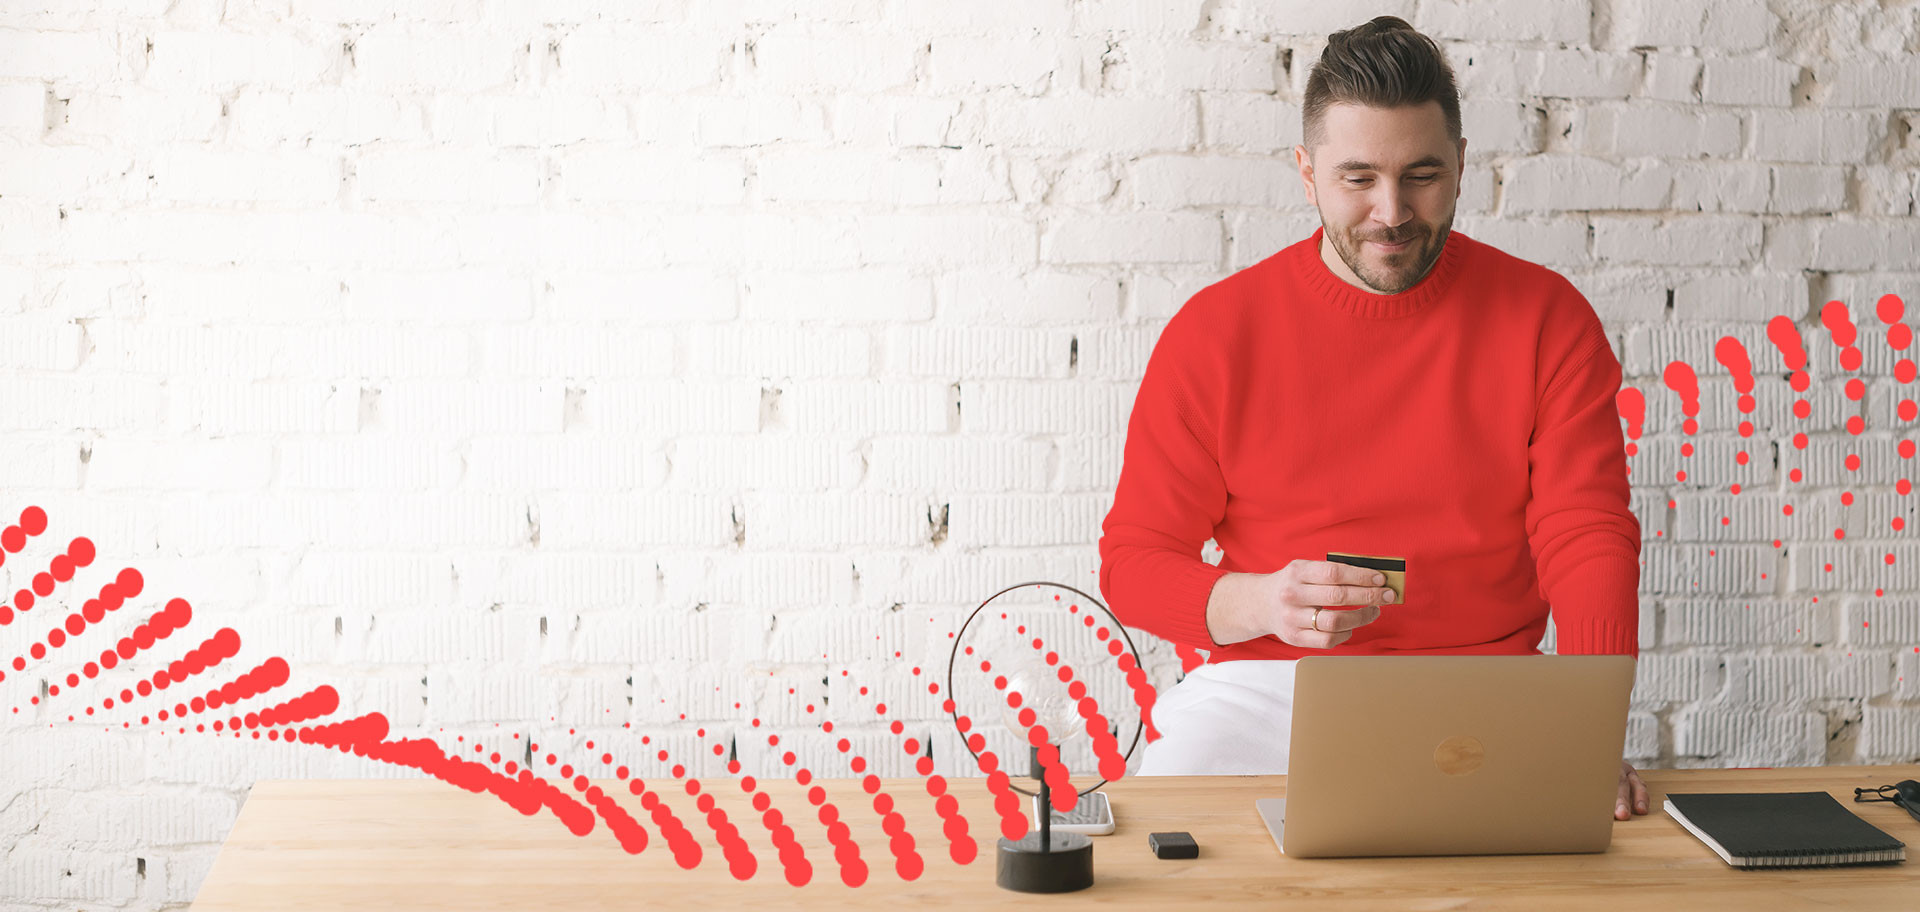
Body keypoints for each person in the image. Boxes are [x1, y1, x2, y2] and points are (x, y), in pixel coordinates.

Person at [1096, 16, 1651, 822]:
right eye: (1358, 177)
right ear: (1307, 172)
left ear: (1461, 165)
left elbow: (1588, 530)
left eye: (1421, 174)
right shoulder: (1217, 333)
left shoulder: (1547, 319)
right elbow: (1134, 562)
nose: (1391, 213)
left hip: (1486, 686)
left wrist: (1593, 731)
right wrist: (1261, 602)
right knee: (1163, 840)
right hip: (1265, 689)